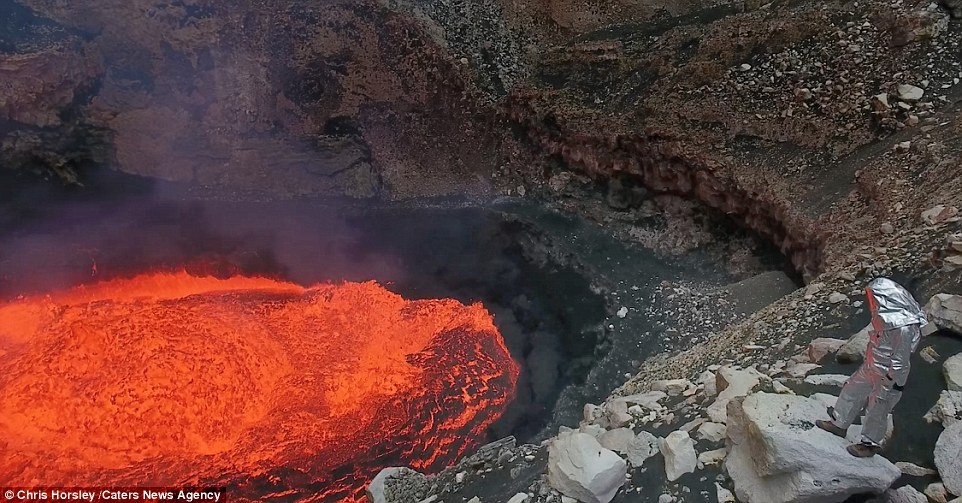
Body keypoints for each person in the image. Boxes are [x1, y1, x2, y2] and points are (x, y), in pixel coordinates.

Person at [815, 277, 931, 457]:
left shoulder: (903, 327)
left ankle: (869, 443)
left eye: (874, 297)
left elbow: (900, 361)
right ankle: (839, 423)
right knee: (851, 389)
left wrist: (890, 383)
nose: (871, 301)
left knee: (878, 407)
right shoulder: (884, 318)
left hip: (888, 375)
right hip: (872, 366)